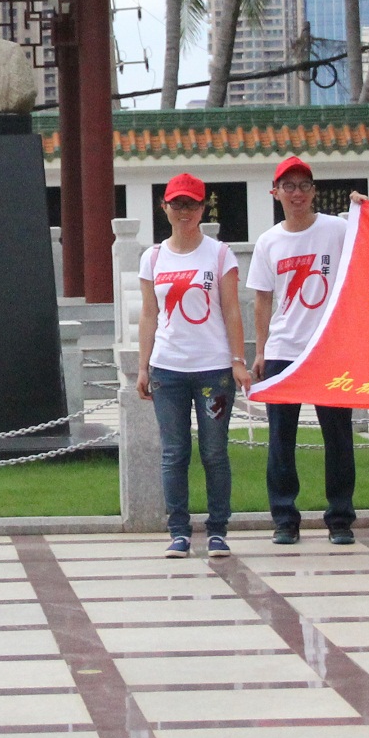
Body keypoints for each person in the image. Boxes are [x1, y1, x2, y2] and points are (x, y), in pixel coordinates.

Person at [137, 172, 251, 558]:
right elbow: (149, 315)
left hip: (213, 370)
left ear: (203, 208)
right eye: (177, 204)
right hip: (168, 369)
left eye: (191, 204)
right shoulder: (153, 257)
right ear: (164, 207)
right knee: (174, 453)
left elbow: (232, 310)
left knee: (214, 451)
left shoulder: (219, 254)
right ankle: (178, 531)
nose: (184, 211)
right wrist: (143, 367)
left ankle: (217, 529)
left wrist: (238, 360)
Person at [246, 157, 354, 547]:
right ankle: (284, 518)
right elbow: (262, 300)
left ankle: (340, 518)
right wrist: (261, 351)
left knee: (338, 438)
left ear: (314, 191)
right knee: (280, 439)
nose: (297, 194)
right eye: (288, 187)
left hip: (329, 348)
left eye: (304, 186)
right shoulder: (268, 241)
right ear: (275, 193)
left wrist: (363, 207)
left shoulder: (337, 229)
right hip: (283, 349)